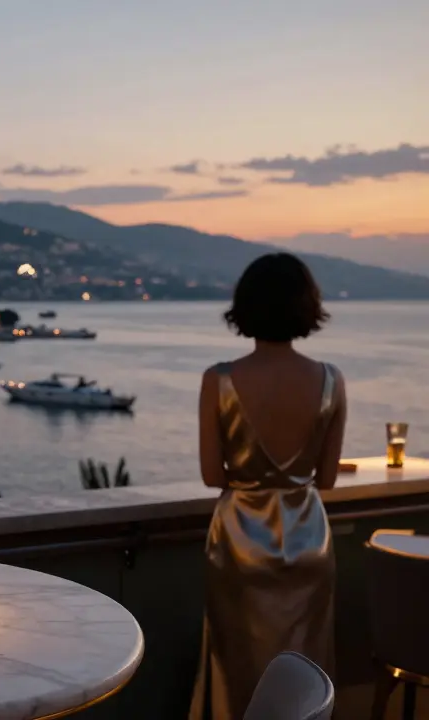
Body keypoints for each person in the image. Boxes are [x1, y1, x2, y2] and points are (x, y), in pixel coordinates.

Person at [190, 253, 346, 720]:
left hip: (240, 542)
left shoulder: (218, 380)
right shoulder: (330, 380)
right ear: (306, 307)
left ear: (246, 306)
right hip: (308, 539)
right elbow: (329, 478)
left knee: (236, 659)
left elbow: (213, 476)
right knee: (305, 668)